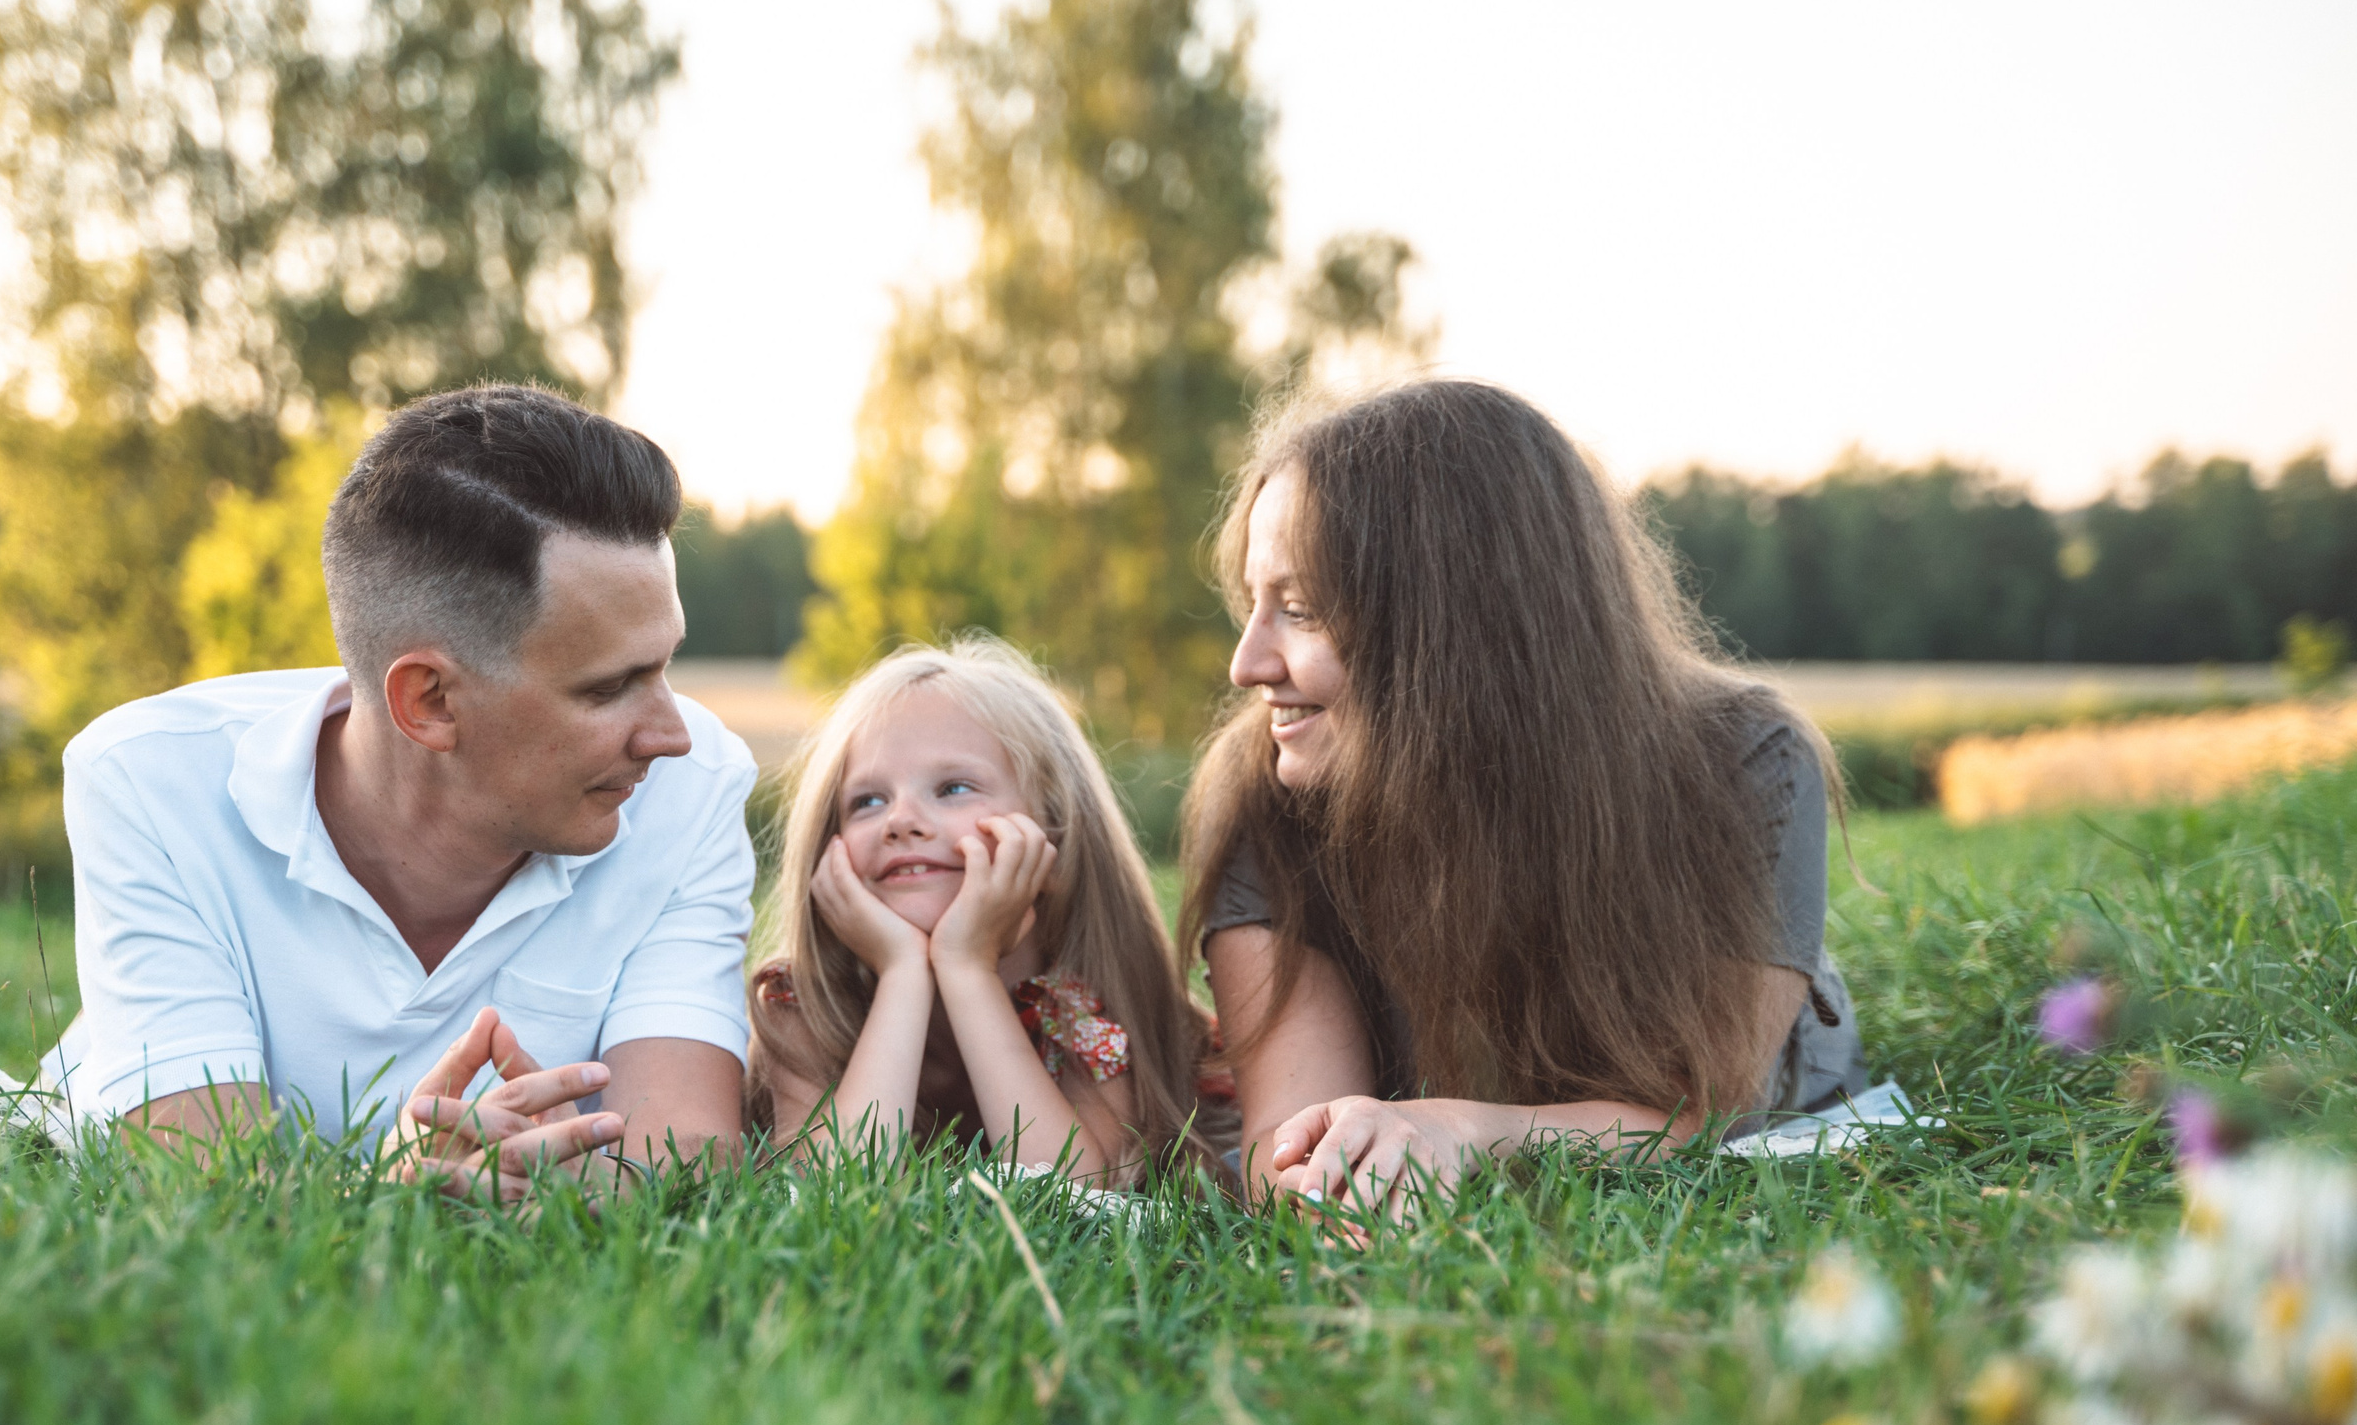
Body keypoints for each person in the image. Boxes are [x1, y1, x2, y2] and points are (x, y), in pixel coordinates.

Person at [38, 383, 756, 1200]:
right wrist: (394, 1190)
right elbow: (201, 1183)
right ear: (430, 702)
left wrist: (561, 1194)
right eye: (607, 689)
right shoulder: (149, 781)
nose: (671, 735)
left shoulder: (693, 788)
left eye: (663, 667)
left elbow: (688, 1153)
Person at [1180, 379, 1868, 1208]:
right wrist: (1330, 1183)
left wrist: (1462, 1131)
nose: (1246, 664)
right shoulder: (1268, 795)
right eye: (1254, 605)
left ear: (1451, 628)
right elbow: (1286, 1141)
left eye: (1298, 610)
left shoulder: (1744, 763)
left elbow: (1697, 1116)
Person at [747, 638, 1222, 1184]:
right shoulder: (807, 1002)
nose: (900, 820)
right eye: (867, 801)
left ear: (1052, 824)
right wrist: (903, 971)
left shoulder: (1082, 1001)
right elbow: (829, 1191)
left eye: (952, 788)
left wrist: (966, 967)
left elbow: (1077, 1196)